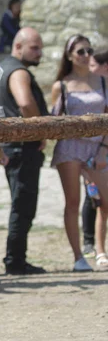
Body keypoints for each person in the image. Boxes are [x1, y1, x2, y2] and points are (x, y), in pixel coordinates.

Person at [0, 27, 48, 275]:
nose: (39, 53)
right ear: (18, 46)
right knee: (23, 206)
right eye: (34, 47)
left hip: (11, 146)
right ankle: (15, 261)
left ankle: (16, 258)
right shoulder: (18, 71)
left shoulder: (3, 67)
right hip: (21, 148)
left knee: (20, 204)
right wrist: (40, 131)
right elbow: (24, 102)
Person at [51, 35, 108, 271]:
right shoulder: (61, 85)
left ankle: (100, 250)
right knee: (73, 203)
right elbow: (53, 121)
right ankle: (78, 257)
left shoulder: (103, 81)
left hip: (98, 146)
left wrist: (104, 147)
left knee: (104, 202)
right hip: (70, 147)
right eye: (81, 51)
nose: (86, 56)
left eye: (89, 51)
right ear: (70, 55)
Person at [82, 46, 108, 257]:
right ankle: (95, 247)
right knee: (98, 201)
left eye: (92, 65)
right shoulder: (93, 88)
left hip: (102, 151)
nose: (88, 69)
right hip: (96, 153)